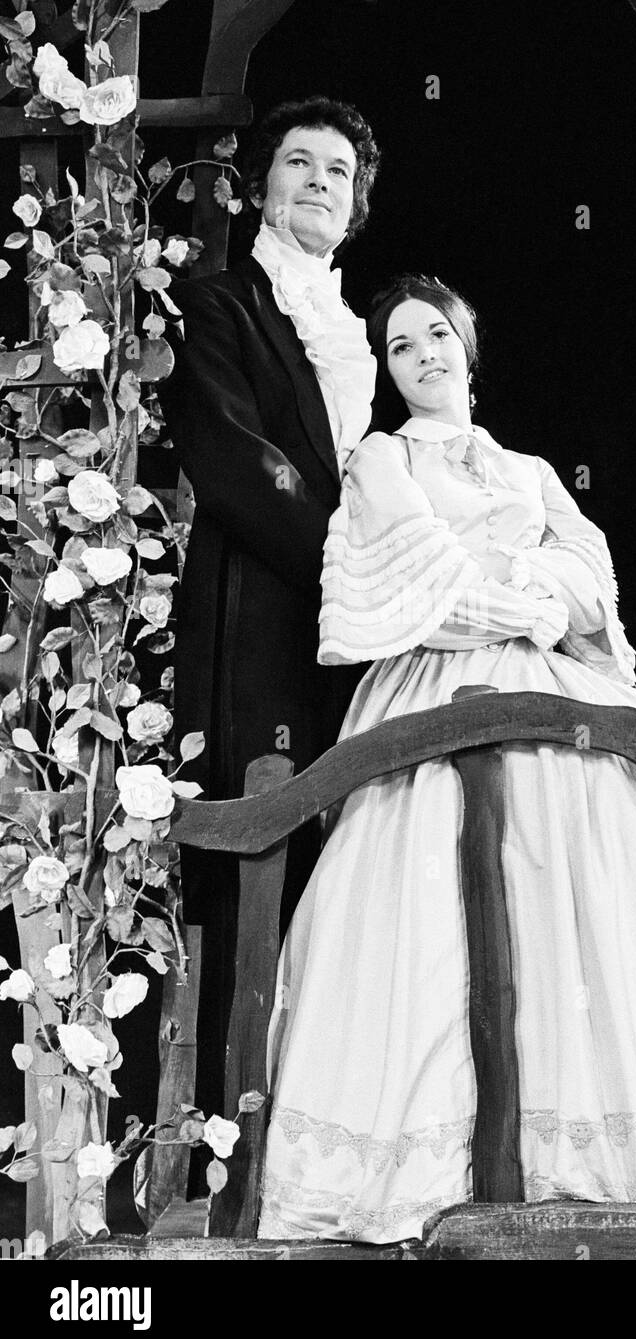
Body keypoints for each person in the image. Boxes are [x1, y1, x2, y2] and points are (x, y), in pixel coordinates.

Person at [256, 274, 636, 1245]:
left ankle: (619, 1155)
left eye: (436, 334)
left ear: (468, 345)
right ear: (388, 370)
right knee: (429, 906)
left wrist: (531, 592)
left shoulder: (527, 470)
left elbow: (586, 585)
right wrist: (522, 593)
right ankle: (435, 1171)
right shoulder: (380, 461)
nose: (424, 354)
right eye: (400, 345)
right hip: (432, 694)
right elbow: (417, 578)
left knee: (609, 884)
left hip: (564, 694)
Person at [156, 97, 380, 1143]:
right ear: (260, 184)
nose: (319, 182)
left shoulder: (363, 334)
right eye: (299, 163)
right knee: (248, 864)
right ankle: (222, 1140)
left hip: (345, 641)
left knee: (344, 865)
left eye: (338, 171)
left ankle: (323, 1128)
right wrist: (359, 570)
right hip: (256, 619)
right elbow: (242, 466)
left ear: (357, 204)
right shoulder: (217, 303)